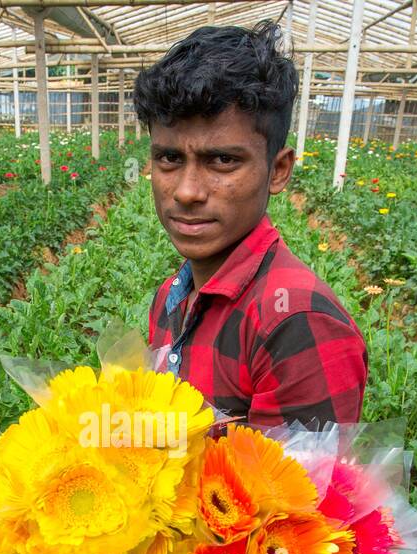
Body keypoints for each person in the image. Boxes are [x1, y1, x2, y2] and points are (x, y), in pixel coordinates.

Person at [133, 20, 368, 427]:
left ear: (278, 171)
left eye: (222, 160)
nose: (188, 191)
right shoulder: (172, 294)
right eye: (169, 158)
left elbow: (300, 490)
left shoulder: (299, 326)